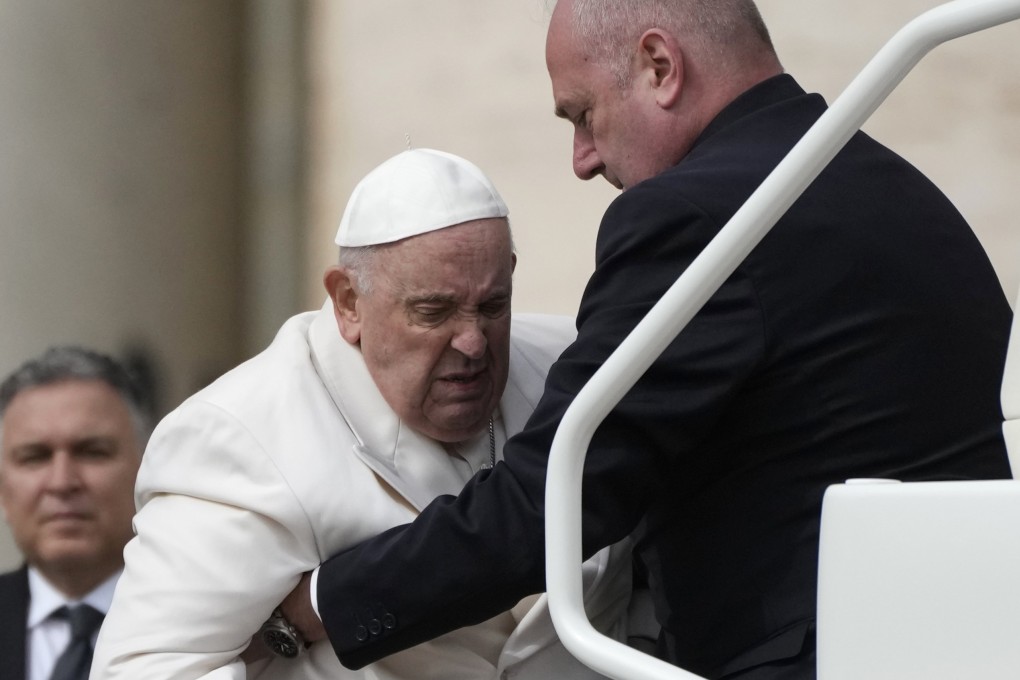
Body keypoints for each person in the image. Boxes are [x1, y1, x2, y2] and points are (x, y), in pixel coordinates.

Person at [291, 2, 1014, 679]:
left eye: (584, 114)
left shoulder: (694, 217)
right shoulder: (895, 188)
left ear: (659, 67)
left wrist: (321, 603)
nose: (582, 158)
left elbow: (558, 497)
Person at [90, 148, 642, 680]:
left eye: (493, 306)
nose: (473, 342)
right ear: (348, 302)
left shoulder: (576, 365)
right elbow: (145, 669)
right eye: (435, 311)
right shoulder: (238, 435)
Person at [0, 346, 150, 680]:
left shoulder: (215, 626)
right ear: (2, 490)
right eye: (34, 457)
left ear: (145, 473)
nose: (62, 482)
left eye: (92, 452)